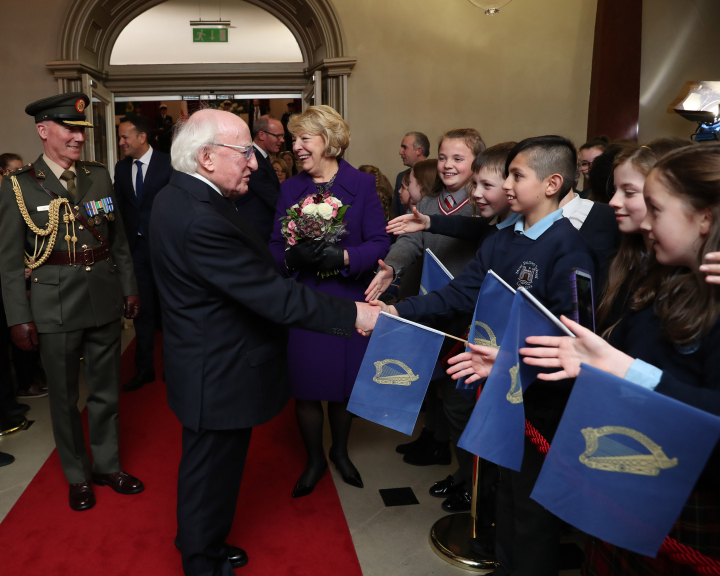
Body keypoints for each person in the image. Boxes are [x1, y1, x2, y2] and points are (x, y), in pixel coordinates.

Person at [149, 108, 378, 576]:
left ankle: (205, 544)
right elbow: (275, 297)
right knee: (209, 475)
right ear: (208, 157)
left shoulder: (181, 196)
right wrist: (356, 313)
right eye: (245, 154)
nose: (255, 163)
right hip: (218, 369)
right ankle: (202, 561)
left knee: (211, 472)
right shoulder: (201, 217)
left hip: (207, 361)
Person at [372, 136, 597, 576]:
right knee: (509, 498)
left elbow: (577, 340)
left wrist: (512, 362)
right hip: (501, 390)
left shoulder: (569, 247)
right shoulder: (503, 237)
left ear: (552, 183)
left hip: (542, 404)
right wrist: (396, 310)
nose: (505, 185)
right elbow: (459, 293)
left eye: (517, 175)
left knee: (532, 514)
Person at [519, 143, 719, 576]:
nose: (643, 218)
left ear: (704, 217)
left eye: (656, 207)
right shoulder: (662, 280)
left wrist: (626, 372)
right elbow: (597, 359)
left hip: (683, 496)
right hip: (631, 477)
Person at [0, 92, 143, 512]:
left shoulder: (98, 176)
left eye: (80, 130)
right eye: (69, 129)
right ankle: (77, 475)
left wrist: (129, 288)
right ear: (44, 131)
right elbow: (9, 263)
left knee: (105, 392)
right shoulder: (19, 185)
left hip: (101, 297)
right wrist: (18, 316)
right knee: (63, 398)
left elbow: (117, 242)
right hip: (53, 305)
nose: (78, 138)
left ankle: (107, 465)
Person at [269, 105, 391, 499]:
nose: (296, 146)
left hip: (347, 299)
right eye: (294, 139)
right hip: (303, 300)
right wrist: (292, 257)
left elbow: (379, 242)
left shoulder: (361, 185)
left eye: (305, 138)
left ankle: (339, 450)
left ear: (330, 141)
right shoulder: (289, 188)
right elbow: (274, 246)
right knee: (306, 386)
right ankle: (314, 459)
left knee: (343, 386)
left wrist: (343, 258)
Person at [114, 115, 173, 391]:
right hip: (136, 251)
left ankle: (174, 368)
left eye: (125, 136)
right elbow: (120, 207)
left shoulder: (168, 163)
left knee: (171, 310)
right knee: (142, 311)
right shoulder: (122, 168)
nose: (121, 141)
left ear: (142, 137)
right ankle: (144, 369)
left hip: (165, 250)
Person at [232, 115, 285, 244]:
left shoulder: (262, 157)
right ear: (261, 135)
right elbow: (273, 198)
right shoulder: (252, 159)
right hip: (256, 232)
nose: (282, 140)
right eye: (278, 136)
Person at [393, 131, 430, 217]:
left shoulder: (436, 174)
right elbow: (396, 212)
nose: (400, 152)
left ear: (419, 151)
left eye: (404, 148)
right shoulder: (400, 177)